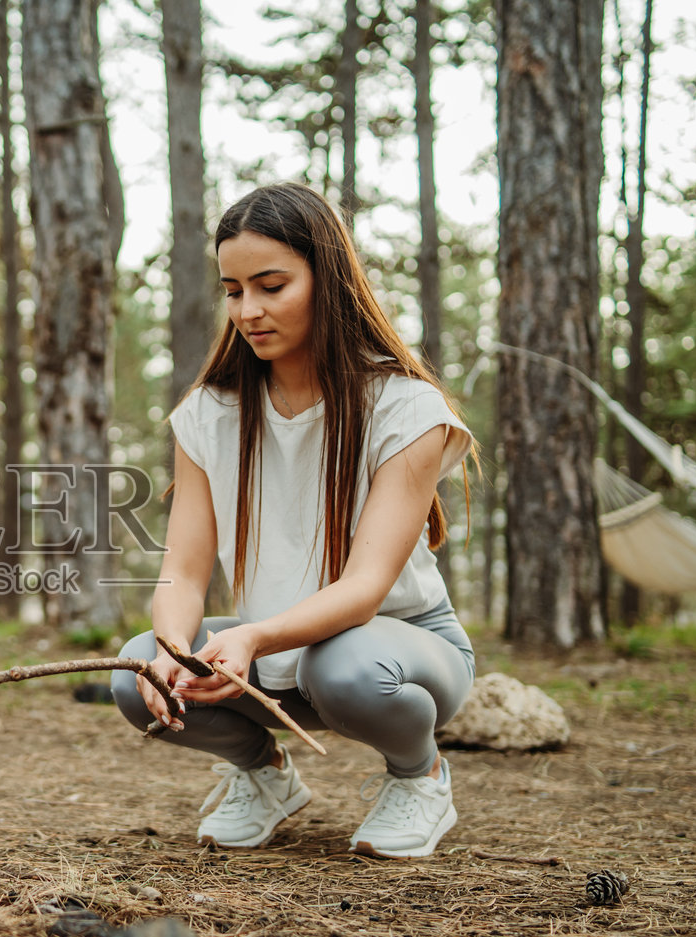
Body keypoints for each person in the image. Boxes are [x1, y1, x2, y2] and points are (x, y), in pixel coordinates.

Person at [111, 183, 477, 860]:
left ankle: (419, 775)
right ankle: (264, 774)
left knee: (344, 666)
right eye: (232, 289)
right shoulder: (208, 414)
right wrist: (170, 649)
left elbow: (365, 589)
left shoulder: (406, 408)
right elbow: (183, 573)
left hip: (395, 654)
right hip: (270, 653)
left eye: (271, 285)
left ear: (327, 279)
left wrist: (252, 635)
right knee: (134, 673)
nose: (248, 310)